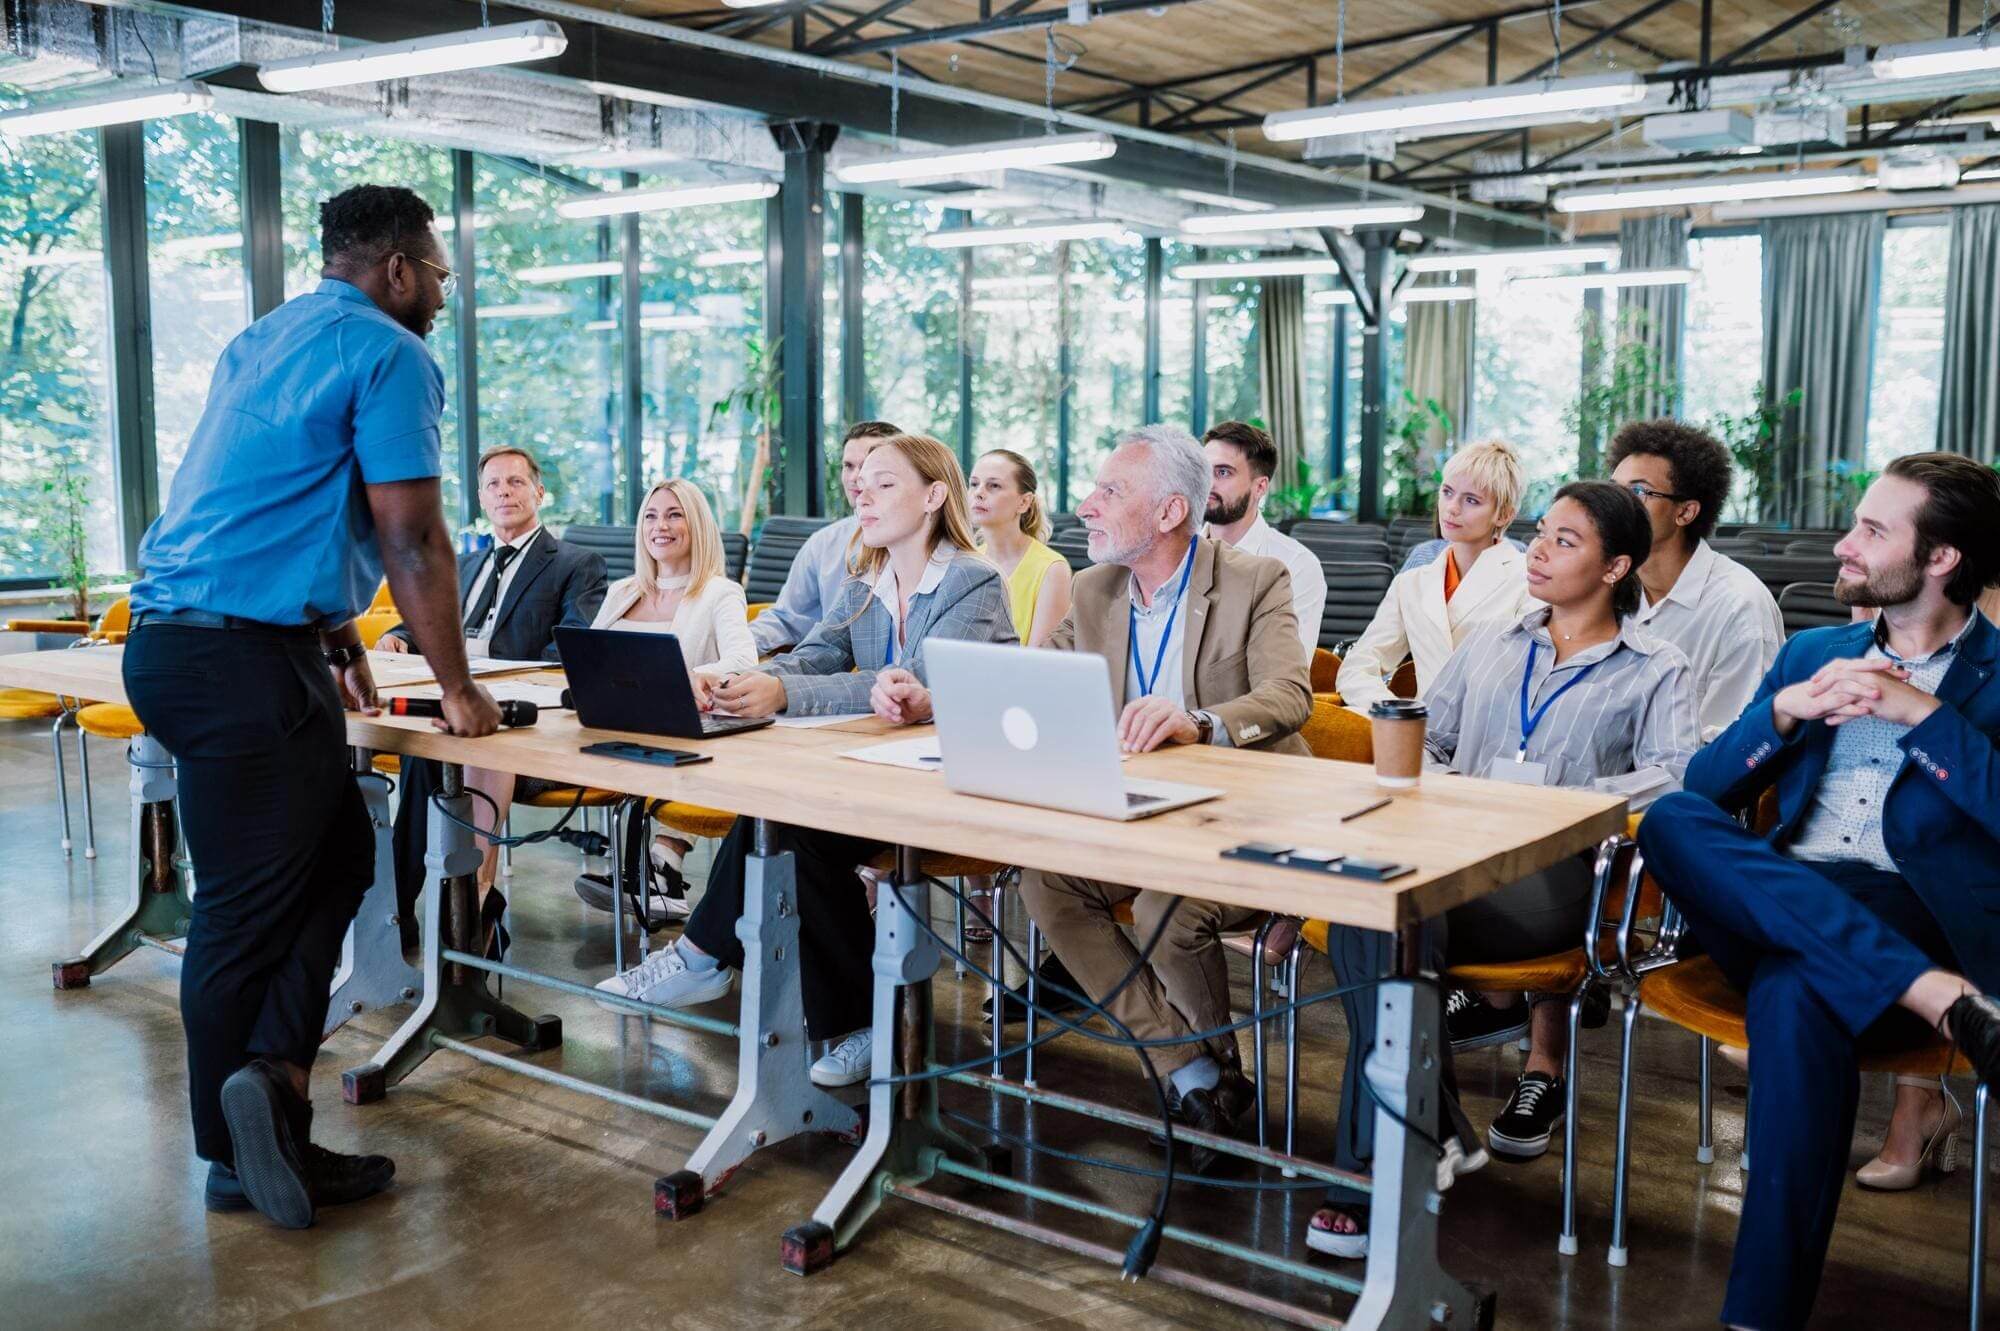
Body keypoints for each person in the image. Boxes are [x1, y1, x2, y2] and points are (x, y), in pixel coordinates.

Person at [122, 184, 501, 1231]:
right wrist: (459, 689)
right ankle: (233, 1152)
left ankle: (271, 1094)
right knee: (243, 912)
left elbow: (274, 498)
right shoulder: (391, 352)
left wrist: (343, 646)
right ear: (394, 270)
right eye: (436, 272)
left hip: (189, 646)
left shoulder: (266, 337)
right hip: (240, 661)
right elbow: (411, 534)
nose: (437, 293)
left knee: (339, 858)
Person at [1637, 453, 2000, 1331]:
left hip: (1913, 905)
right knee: (1671, 818)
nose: (1846, 542)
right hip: (1781, 888)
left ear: (1941, 557)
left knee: (1798, 995)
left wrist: (1921, 715)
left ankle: (1759, 1317)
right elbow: (1709, 783)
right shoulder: (1812, 650)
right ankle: (1941, 1001)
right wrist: (1785, 712)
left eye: (1874, 530)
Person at [1309, 480, 1699, 1259]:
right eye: (1543, 533)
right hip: (1454, 853)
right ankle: (1435, 1126)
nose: (1540, 551)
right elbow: (1435, 744)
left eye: (1565, 541)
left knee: (1394, 920)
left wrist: (1561, 801)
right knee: (1370, 910)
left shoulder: (1657, 666)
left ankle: (1368, 1172)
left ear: (1617, 566)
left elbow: (1672, 776)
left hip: (1560, 878)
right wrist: (1459, 786)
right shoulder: (1493, 642)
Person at [591, 433, 1015, 1087]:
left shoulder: (972, 580)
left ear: (934, 496)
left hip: (958, 787)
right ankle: (857, 1019)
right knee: (783, 821)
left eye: (883, 484)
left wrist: (784, 691)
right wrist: (732, 679)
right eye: (859, 483)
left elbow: (908, 683)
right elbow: (816, 654)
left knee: (795, 828)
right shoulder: (866, 575)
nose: (861, 494)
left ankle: (707, 958)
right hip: (883, 776)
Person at [989, 424, 1314, 1172]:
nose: (1087, 504)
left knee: (1171, 909)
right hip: (1136, 813)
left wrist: (1199, 722)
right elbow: (1040, 683)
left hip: (1240, 821)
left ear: (1169, 512)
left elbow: (1291, 696)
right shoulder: (1098, 587)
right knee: (1048, 882)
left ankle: (1217, 1084)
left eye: (1110, 491)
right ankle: (1192, 1070)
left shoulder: (1255, 580)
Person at [380, 445, 606, 952]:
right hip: (453, 704)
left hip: (518, 717)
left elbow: (570, 650)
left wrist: (491, 673)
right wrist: (400, 636)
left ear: (539, 492)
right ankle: (445, 907)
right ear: (481, 498)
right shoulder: (464, 562)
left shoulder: (576, 563)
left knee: (428, 756)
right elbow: (425, 622)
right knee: (424, 749)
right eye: (493, 485)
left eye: (516, 482)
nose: (504, 492)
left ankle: (407, 909)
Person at [574, 477, 756, 920]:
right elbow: (594, 656)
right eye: (651, 516)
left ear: (696, 525)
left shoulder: (719, 592)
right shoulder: (623, 591)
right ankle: (650, 875)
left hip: (680, 729)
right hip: (614, 723)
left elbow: (743, 659)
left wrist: (691, 677)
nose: (661, 526)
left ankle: (660, 871)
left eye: (675, 515)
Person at [1606, 419, 1784, 742]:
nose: (1616, 505)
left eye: (1637, 491)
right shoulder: (1608, 584)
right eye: (1613, 489)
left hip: (1680, 786)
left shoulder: (1739, 607)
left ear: (1685, 512)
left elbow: (1731, 748)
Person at [1336, 439, 1535, 709]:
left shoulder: (1528, 579)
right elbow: (1358, 666)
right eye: (1447, 492)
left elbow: (1531, 675)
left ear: (1504, 515)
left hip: (1494, 733)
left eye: (1471, 500)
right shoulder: (1411, 583)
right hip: (1423, 735)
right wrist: (1397, 713)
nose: (1452, 508)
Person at [749, 419, 904, 653]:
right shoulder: (823, 543)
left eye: (868, 467)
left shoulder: (918, 549)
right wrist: (731, 649)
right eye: (848, 466)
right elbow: (787, 619)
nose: (855, 477)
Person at [1201, 420, 1326, 660]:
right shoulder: (1178, 552)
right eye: (1203, 471)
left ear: (1260, 487)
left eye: (1223, 472)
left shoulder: (1296, 565)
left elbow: (1286, 672)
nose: (1208, 483)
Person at [968, 448, 1072, 648]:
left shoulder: (1051, 569)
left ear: (1024, 502)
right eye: (974, 484)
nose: (978, 493)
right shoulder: (966, 562)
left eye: (994, 486)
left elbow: (1036, 663)